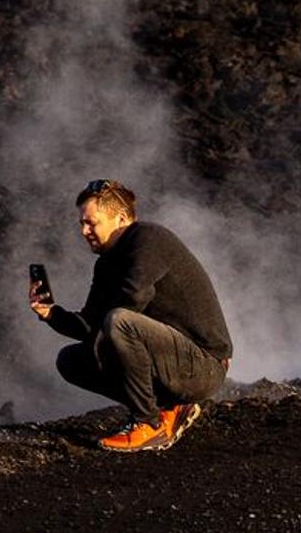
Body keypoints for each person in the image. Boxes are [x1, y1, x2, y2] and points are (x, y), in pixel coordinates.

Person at [27, 178, 230, 452]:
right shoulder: (106, 263)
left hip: (205, 365)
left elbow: (130, 303)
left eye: (92, 223)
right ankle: (169, 408)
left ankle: (149, 424)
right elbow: (90, 325)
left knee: (120, 322)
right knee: (71, 360)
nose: (84, 231)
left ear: (121, 218)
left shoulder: (148, 239)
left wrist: (103, 344)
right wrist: (51, 313)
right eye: (81, 224)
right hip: (172, 358)